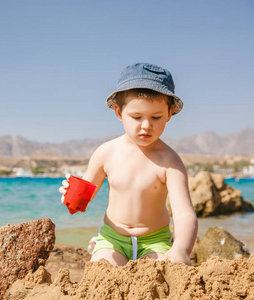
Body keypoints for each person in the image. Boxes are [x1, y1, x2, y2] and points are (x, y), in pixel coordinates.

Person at [59, 63, 198, 266]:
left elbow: (184, 213)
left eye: (156, 117)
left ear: (169, 113)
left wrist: (181, 249)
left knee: (160, 274)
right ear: (119, 112)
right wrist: (70, 197)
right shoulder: (106, 153)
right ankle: (97, 245)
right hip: (113, 238)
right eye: (136, 117)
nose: (146, 125)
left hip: (155, 241)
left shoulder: (170, 161)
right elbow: (80, 201)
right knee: (101, 272)